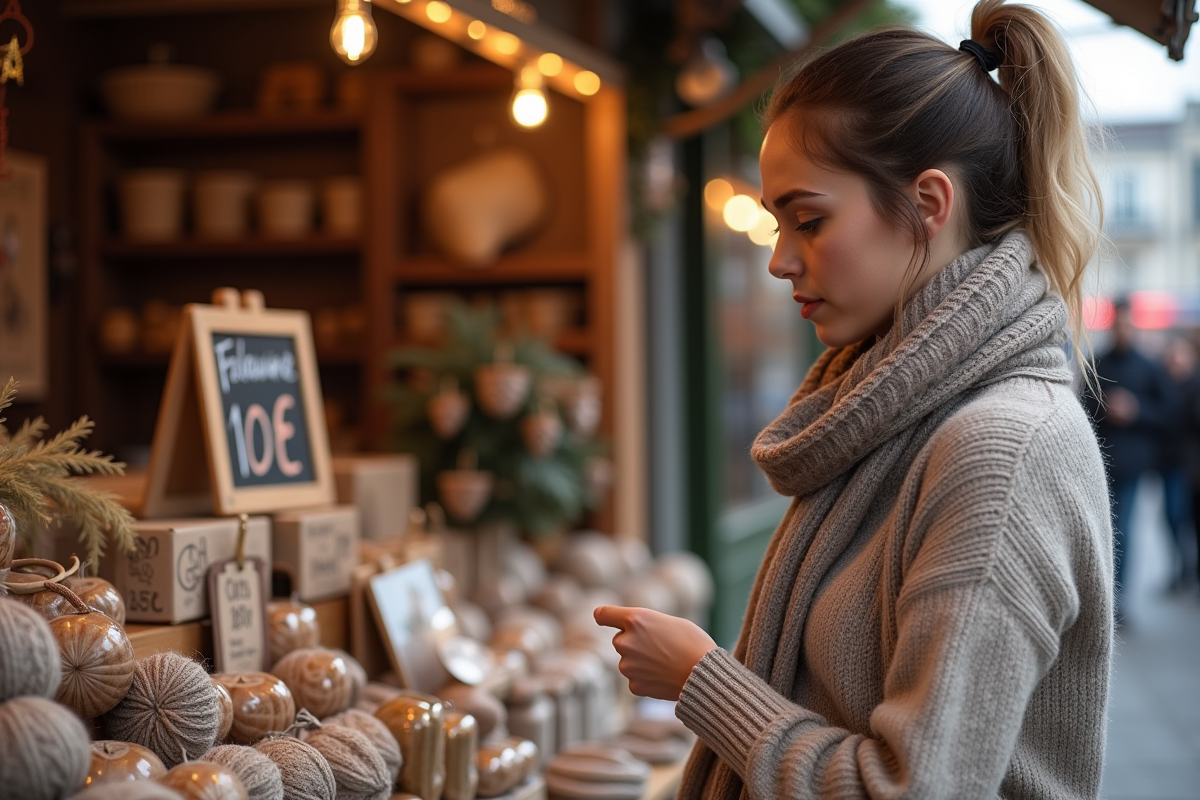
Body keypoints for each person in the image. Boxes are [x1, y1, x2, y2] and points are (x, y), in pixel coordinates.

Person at [594, 2, 1114, 798]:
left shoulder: (1000, 453)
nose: (779, 262)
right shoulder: (891, 410)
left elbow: (910, 788)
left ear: (931, 205)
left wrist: (705, 681)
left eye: (808, 220)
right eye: (778, 225)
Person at [1082, 299, 1171, 616]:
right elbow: (1083, 409)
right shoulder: (1098, 363)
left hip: (1133, 465)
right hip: (1101, 464)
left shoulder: (1149, 367)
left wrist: (1136, 411)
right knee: (1103, 532)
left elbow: (1167, 413)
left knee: (1125, 530)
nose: (1122, 329)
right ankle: (1104, 598)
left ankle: (1119, 602)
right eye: (1117, 324)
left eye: (1126, 324)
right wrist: (1107, 408)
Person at [1162, 334, 1200, 591]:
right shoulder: (1164, 384)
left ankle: (1189, 571)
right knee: (1172, 518)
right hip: (1170, 463)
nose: (1176, 359)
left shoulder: (1194, 385)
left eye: (1181, 354)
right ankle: (1183, 569)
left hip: (1191, 467)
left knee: (1186, 519)